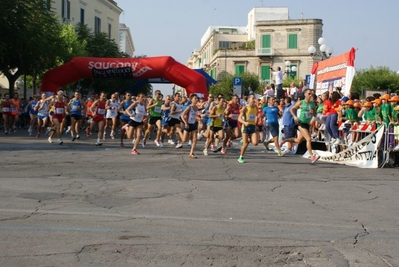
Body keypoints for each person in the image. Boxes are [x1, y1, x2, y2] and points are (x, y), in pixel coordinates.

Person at [282, 89, 320, 163]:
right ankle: (312, 156)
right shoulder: (301, 102)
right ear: (305, 94)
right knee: (308, 139)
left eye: (311, 94)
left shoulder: (312, 104)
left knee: (298, 140)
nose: (310, 95)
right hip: (300, 123)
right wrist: (295, 117)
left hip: (307, 124)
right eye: (309, 94)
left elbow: (315, 115)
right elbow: (291, 109)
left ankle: (285, 140)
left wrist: (313, 113)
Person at [237, 94, 259, 163]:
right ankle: (241, 157)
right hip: (246, 127)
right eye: (252, 98)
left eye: (254, 98)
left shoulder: (255, 108)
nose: (254, 100)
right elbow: (239, 118)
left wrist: (255, 124)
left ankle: (248, 139)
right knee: (245, 144)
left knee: (255, 143)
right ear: (249, 99)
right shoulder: (245, 108)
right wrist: (245, 122)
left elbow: (255, 116)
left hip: (252, 127)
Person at [180, 94, 200, 158]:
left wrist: (200, 118)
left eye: (197, 98)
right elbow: (182, 115)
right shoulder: (189, 107)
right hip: (187, 124)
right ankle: (179, 132)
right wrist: (185, 123)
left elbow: (195, 116)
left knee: (195, 139)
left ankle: (192, 153)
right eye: (195, 98)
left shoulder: (196, 108)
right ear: (191, 100)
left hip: (193, 124)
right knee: (184, 140)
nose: (196, 100)